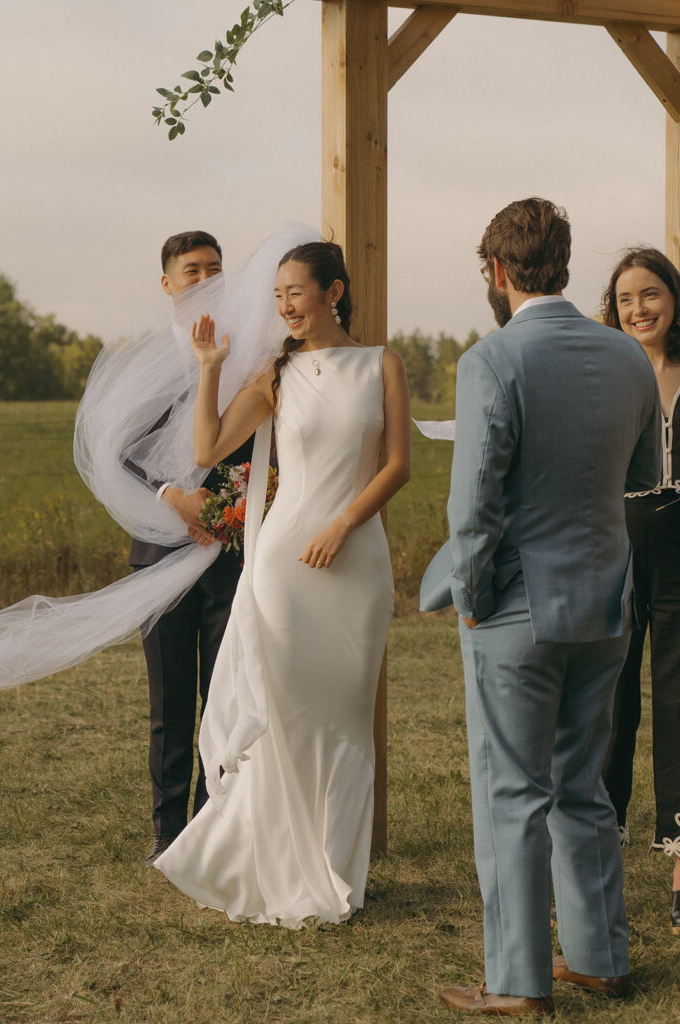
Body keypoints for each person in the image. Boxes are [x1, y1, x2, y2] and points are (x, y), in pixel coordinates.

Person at [420, 198, 661, 1015]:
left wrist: (473, 596)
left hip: (516, 608)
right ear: (562, 261)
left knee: (511, 792)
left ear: (496, 270)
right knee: (583, 785)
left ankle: (516, 982)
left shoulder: (491, 360)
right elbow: (642, 473)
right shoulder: (629, 358)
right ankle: (598, 957)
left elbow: (473, 506)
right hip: (605, 598)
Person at [153, 241, 410, 926]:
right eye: (277, 296)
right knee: (288, 714)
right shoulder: (274, 372)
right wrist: (211, 369)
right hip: (284, 567)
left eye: (296, 292)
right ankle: (276, 867)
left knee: (348, 716)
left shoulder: (380, 363)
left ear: (333, 291)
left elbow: (396, 466)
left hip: (356, 563)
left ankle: (336, 872)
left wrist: (345, 524)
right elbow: (208, 449)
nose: (285, 307)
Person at [131, 230, 256, 866]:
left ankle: (217, 825)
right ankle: (166, 830)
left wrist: (230, 510)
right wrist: (170, 500)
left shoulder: (247, 353)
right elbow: (117, 453)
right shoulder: (143, 365)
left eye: (213, 268)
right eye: (191, 270)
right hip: (161, 555)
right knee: (170, 700)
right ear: (168, 283)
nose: (203, 278)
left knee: (226, 696)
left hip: (232, 551)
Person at [601, 247, 680, 936]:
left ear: (673, 298)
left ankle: (679, 841)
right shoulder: (607, 372)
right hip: (618, 540)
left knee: (679, 691)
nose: (638, 310)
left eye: (650, 294)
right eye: (626, 299)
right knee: (611, 686)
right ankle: (606, 824)